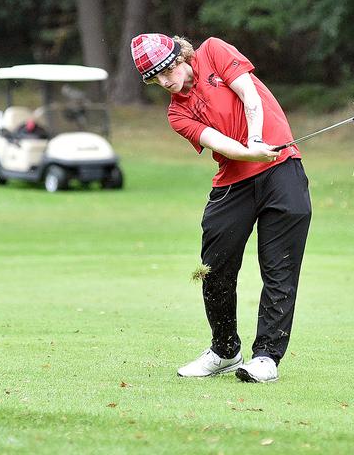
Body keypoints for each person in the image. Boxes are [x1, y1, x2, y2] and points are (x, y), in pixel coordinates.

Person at [130, 33, 312, 383]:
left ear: (180, 56)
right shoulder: (177, 113)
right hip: (233, 182)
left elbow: (249, 94)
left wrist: (257, 140)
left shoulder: (213, 51)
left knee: (279, 268)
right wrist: (249, 152)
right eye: (156, 79)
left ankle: (266, 358)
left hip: (283, 170)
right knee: (214, 270)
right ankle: (225, 350)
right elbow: (220, 143)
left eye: (167, 70)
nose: (166, 81)